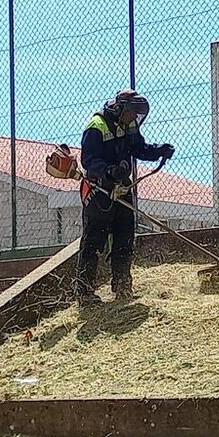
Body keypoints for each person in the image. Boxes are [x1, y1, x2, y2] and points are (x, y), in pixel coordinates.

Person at [76, 88, 173, 304]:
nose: (134, 118)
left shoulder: (128, 126)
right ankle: (84, 292)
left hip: (122, 189)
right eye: (132, 113)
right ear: (120, 109)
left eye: (137, 115)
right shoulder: (96, 126)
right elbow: (89, 161)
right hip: (99, 191)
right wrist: (109, 171)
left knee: (124, 239)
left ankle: (122, 287)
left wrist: (159, 151)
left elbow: (139, 148)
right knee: (93, 242)